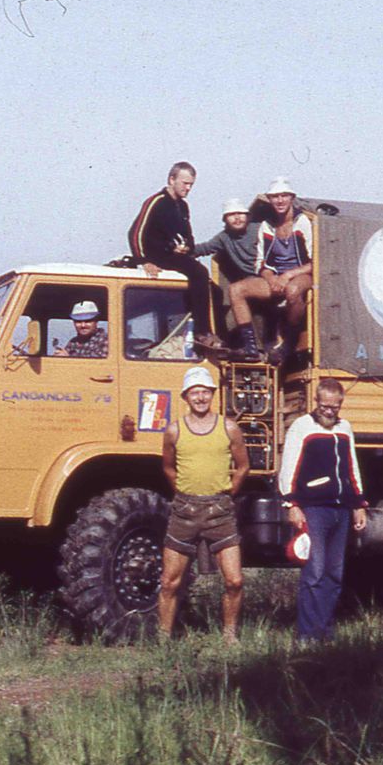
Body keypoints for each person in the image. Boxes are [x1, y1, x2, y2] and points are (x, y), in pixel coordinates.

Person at [158, 365, 248, 642]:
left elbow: (243, 467)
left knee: (235, 581)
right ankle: (163, 639)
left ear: (213, 394)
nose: (200, 397)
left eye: (205, 392)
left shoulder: (229, 428)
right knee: (169, 582)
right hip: (184, 512)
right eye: (194, 392)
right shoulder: (174, 430)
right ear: (185, 396)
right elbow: (168, 468)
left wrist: (226, 495)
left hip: (220, 512)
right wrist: (184, 492)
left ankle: (229, 637)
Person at [278, 377, 367, 642]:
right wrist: (291, 504)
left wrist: (359, 504)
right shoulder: (301, 427)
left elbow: (352, 467)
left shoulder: (345, 428)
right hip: (313, 509)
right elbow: (289, 467)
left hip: (341, 509)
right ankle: (306, 635)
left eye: (335, 407)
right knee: (314, 572)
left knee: (334, 574)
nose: (329, 411)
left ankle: (326, 632)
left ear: (341, 404)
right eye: (324, 406)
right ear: (316, 401)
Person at [127, 161, 223, 354]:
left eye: (191, 185)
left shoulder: (183, 207)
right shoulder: (156, 202)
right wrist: (143, 261)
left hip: (174, 256)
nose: (188, 188)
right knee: (199, 272)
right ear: (172, 179)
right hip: (157, 256)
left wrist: (186, 247)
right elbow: (135, 233)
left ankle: (213, 332)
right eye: (185, 183)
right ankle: (202, 332)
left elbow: (189, 237)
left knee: (214, 289)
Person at [249, 177, 315, 365]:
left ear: (291, 198)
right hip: (277, 277)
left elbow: (314, 263)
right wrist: (271, 278)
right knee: (238, 289)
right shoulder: (267, 226)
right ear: (269, 200)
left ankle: (290, 342)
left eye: (284, 196)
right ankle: (252, 347)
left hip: (302, 274)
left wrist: (287, 276)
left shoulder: (302, 222)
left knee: (293, 291)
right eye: (275, 197)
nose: (280, 200)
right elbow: (261, 262)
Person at [192, 197, 265, 359]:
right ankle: (250, 348)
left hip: (268, 277)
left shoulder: (259, 229)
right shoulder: (224, 237)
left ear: (248, 216)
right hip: (251, 284)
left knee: (238, 292)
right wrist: (181, 251)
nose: (237, 218)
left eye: (240, 213)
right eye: (232, 215)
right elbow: (204, 248)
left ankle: (256, 348)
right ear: (225, 220)